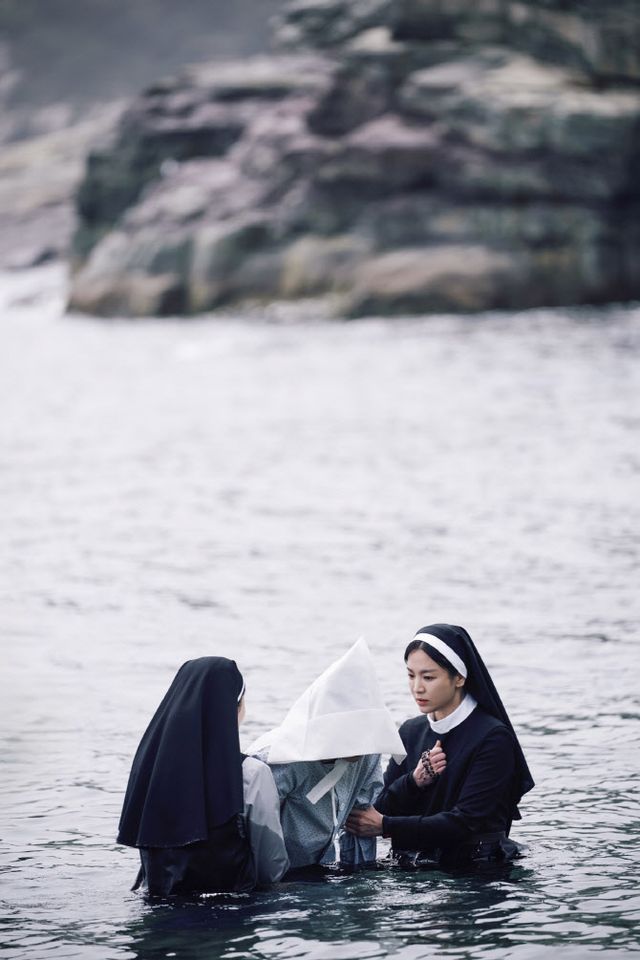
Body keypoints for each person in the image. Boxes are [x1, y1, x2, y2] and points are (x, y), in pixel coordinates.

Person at [346, 624, 534, 868]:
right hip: (415, 866)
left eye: (428, 677)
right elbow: (378, 807)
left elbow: (466, 822)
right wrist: (413, 782)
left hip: (475, 871)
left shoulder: (493, 737)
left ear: (459, 678)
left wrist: (386, 826)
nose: (417, 687)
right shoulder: (410, 731)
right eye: (411, 675)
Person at [117, 656, 289, 895]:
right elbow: (270, 868)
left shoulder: (149, 769)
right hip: (235, 907)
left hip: (158, 902)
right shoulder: (251, 773)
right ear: (233, 708)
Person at [250, 638, 406, 872]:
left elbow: (360, 821)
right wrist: (273, 880)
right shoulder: (282, 759)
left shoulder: (368, 754)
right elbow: (255, 828)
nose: (361, 747)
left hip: (323, 864)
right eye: (352, 735)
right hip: (277, 872)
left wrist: (359, 876)